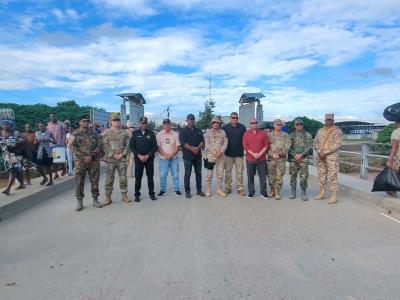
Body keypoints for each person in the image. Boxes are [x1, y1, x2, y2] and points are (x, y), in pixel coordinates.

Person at [69, 115, 103, 211]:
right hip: (81, 162)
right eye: (84, 121)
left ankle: (95, 200)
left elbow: (99, 145)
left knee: (95, 180)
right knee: (79, 181)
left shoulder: (94, 133)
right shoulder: (75, 133)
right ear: (80, 122)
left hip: (94, 161)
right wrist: (83, 157)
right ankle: (79, 202)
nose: (86, 123)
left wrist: (91, 156)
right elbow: (71, 146)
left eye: (88, 121)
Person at [314, 113, 343, 204]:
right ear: (325, 120)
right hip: (321, 156)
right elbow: (315, 142)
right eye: (327, 119)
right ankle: (322, 192)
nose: (328, 121)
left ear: (333, 120)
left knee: (332, 175)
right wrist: (319, 151)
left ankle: (334, 195)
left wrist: (325, 152)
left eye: (330, 120)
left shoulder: (337, 131)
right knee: (321, 175)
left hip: (332, 157)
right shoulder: (320, 131)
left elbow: (337, 144)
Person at [102, 116, 131, 205]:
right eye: (114, 120)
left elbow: (128, 145)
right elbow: (104, 145)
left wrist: (123, 154)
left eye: (118, 120)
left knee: (123, 178)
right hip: (110, 160)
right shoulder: (106, 132)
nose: (116, 122)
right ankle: (108, 197)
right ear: (110, 121)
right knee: (109, 179)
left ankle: (124, 196)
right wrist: (113, 155)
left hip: (121, 159)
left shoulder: (124, 133)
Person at [129, 116, 157, 202]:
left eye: (145, 123)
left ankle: (151, 194)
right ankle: (137, 195)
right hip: (138, 159)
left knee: (150, 177)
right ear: (140, 123)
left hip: (149, 159)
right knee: (138, 177)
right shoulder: (135, 133)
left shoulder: (151, 133)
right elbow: (131, 146)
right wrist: (139, 155)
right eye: (142, 123)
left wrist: (148, 155)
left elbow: (154, 147)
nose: (144, 125)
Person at [179, 114, 206, 199]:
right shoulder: (183, 131)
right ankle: (187, 191)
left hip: (198, 157)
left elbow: (202, 141)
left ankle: (199, 190)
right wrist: (192, 148)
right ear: (187, 120)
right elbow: (183, 143)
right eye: (190, 119)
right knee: (187, 174)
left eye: (193, 119)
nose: (192, 121)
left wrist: (198, 147)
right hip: (188, 157)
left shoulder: (198, 130)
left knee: (199, 174)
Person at [242, 117, 269, 198]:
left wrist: (260, 153)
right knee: (250, 176)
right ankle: (251, 192)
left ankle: (263, 192)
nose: (254, 124)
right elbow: (245, 146)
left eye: (255, 123)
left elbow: (266, 145)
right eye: (252, 123)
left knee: (263, 176)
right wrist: (253, 154)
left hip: (262, 159)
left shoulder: (263, 133)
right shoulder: (246, 134)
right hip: (250, 159)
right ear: (250, 124)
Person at [288, 118, 313, 201]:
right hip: (293, 159)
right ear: (294, 126)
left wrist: (301, 155)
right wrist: (295, 155)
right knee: (293, 176)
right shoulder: (291, 135)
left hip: (304, 159)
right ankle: (293, 191)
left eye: (300, 124)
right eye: (297, 124)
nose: (299, 126)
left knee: (304, 177)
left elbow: (309, 147)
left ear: (302, 125)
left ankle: (303, 192)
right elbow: (288, 147)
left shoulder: (307, 135)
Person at [223, 112, 247, 196]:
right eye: (233, 118)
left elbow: (245, 139)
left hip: (239, 154)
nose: (235, 119)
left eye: (236, 118)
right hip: (228, 154)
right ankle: (228, 187)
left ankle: (240, 188)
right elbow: (222, 140)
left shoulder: (242, 127)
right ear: (230, 118)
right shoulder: (225, 127)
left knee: (239, 172)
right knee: (228, 172)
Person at [204, 116, 228, 197]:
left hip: (220, 157)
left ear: (219, 124)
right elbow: (207, 144)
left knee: (220, 174)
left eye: (218, 123)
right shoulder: (208, 132)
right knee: (209, 174)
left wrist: (221, 152)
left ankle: (219, 189)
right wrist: (215, 153)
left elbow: (225, 143)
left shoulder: (223, 132)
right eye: (214, 123)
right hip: (211, 157)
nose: (216, 124)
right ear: (212, 124)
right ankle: (208, 189)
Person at [156, 118, 181, 197]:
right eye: (165, 124)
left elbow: (177, 146)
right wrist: (165, 155)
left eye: (168, 124)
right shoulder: (159, 134)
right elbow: (158, 147)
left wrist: (171, 155)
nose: (166, 125)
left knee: (175, 175)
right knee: (163, 175)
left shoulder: (175, 134)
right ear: (163, 125)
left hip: (174, 158)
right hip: (163, 158)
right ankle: (162, 190)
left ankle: (176, 190)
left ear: (170, 125)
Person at [267, 119, 291, 200]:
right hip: (271, 159)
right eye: (277, 124)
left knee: (279, 176)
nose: (279, 126)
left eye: (280, 124)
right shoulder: (269, 135)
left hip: (281, 159)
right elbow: (266, 147)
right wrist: (272, 154)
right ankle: (272, 190)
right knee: (271, 177)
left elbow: (287, 146)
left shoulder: (286, 135)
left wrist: (280, 154)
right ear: (273, 125)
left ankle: (277, 192)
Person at [0, 124, 25, 195]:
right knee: (15, 171)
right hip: (6, 156)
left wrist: (16, 143)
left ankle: (8, 189)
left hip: (14, 155)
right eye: (3, 124)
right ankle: (22, 184)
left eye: (6, 124)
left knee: (12, 171)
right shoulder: (0, 133)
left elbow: (24, 140)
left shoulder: (15, 132)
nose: (5, 126)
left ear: (10, 125)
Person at [35, 122, 56, 186]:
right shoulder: (37, 133)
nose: (40, 127)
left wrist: (48, 140)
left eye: (41, 126)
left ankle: (51, 181)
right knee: (38, 166)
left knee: (48, 166)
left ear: (45, 126)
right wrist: (39, 141)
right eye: (39, 126)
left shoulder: (49, 132)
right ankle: (45, 178)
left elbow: (55, 142)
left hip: (48, 152)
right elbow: (35, 143)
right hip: (40, 152)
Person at [47, 113, 66, 178]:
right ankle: (56, 174)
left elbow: (63, 134)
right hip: (51, 144)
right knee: (53, 160)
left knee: (59, 159)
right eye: (51, 116)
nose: (53, 117)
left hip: (59, 144)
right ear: (50, 117)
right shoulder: (48, 125)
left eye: (54, 116)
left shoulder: (61, 124)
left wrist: (63, 143)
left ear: (56, 116)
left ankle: (63, 168)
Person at [386, 120, 400, 197]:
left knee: (396, 172)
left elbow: (395, 147)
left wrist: (390, 159)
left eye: (395, 122)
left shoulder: (397, 132)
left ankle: (391, 188)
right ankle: (391, 188)